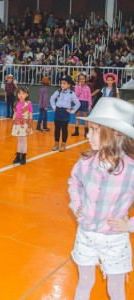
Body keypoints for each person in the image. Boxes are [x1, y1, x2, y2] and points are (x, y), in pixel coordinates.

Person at [68, 97, 134, 300]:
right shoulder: (86, 161)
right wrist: (76, 204)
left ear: (114, 133)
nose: (88, 135)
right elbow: (74, 182)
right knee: (84, 281)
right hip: (86, 234)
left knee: (116, 289)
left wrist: (130, 225)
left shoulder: (131, 169)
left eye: (94, 130)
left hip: (114, 239)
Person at [50, 75, 80, 152]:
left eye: (64, 83)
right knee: (56, 128)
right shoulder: (58, 91)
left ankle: (63, 144)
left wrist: (72, 111)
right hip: (58, 111)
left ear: (69, 84)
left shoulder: (71, 93)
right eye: (61, 83)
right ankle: (56, 143)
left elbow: (78, 103)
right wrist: (54, 107)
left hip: (65, 112)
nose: (62, 85)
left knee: (64, 129)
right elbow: (52, 99)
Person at [12, 87, 33, 165]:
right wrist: (13, 124)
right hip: (17, 124)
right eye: (19, 93)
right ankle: (18, 156)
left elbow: (30, 116)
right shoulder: (16, 103)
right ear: (17, 94)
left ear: (27, 95)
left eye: (23, 93)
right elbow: (14, 114)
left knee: (24, 141)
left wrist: (29, 127)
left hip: (25, 124)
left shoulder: (29, 103)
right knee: (19, 141)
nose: (21, 95)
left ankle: (23, 156)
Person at [71, 72, 92, 137]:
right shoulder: (76, 87)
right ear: (78, 80)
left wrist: (89, 105)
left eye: (83, 79)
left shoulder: (87, 88)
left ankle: (86, 131)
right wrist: (79, 86)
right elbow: (77, 94)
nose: (81, 80)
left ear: (85, 79)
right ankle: (76, 130)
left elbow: (89, 97)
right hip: (78, 102)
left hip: (85, 102)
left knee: (85, 117)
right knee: (77, 117)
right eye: (80, 79)